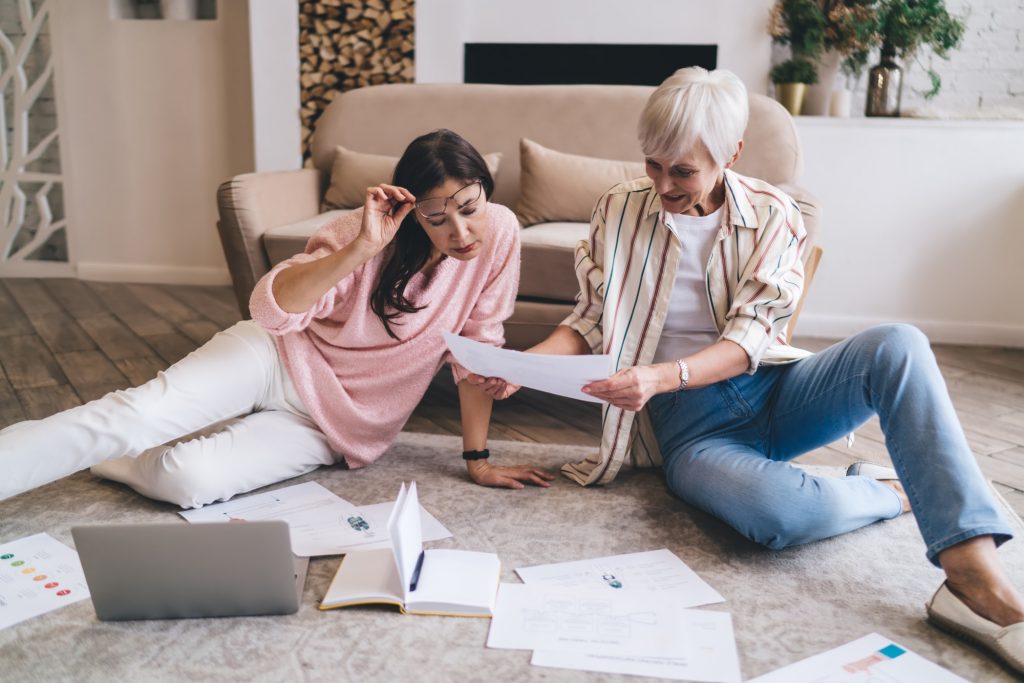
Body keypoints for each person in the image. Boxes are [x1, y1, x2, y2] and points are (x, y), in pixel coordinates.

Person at [471, 68, 1024, 672]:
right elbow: (590, 321)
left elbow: (749, 340)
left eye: (682, 170)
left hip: (778, 392)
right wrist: (523, 368)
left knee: (899, 343)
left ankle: (970, 568)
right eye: (653, 165)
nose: (663, 185)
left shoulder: (773, 213)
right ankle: (886, 491)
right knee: (780, 517)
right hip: (692, 431)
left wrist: (659, 375)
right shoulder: (618, 210)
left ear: (730, 153)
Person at [0, 129, 554, 509]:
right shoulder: (359, 235)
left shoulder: (501, 230)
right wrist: (360, 250)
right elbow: (269, 308)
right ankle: (110, 437)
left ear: (486, 189)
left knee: (187, 480)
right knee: (129, 419)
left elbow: (477, 348)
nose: (460, 233)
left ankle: (110, 459)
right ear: (413, 212)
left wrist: (478, 459)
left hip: (333, 423)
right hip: (273, 357)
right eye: (437, 218)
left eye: (470, 208)